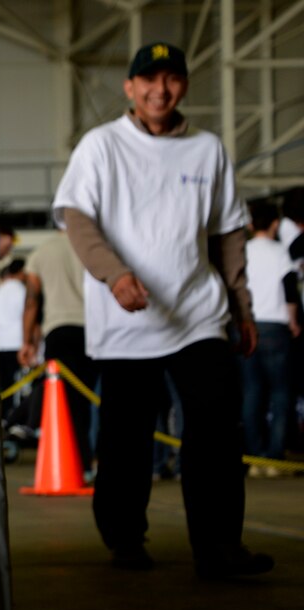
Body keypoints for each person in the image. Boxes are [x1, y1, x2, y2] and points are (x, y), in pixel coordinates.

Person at [53, 41, 273, 579]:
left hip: (199, 312)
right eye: (148, 80)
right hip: (128, 318)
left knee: (217, 422)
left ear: (184, 86)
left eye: (171, 78)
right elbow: (79, 220)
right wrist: (114, 273)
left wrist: (241, 307)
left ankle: (220, 547)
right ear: (129, 87)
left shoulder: (207, 149)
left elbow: (227, 234)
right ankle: (125, 537)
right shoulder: (101, 146)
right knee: (126, 433)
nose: (160, 89)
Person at [18, 230, 98, 475]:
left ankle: (79, 464)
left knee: (69, 404)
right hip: (96, 331)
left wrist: (27, 342)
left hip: (60, 333)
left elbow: (32, 301)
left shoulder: (41, 253)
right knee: (95, 401)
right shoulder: (92, 245)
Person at [241, 201, 299, 475]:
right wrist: (295, 321)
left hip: (246, 326)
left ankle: (254, 457)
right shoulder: (280, 252)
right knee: (281, 393)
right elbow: (289, 290)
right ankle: (275, 456)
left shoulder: (242, 251)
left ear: (250, 225)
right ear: (275, 224)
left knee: (252, 393)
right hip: (276, 328)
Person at [0, 258, 27, 423]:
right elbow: (27, 316)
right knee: (17, 387)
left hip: (0, 344)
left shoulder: (0, 290)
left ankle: (3, 421)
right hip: (18, 343)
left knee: (4, 386)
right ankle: (15, 421)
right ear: (21, 272)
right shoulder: (22, 290)